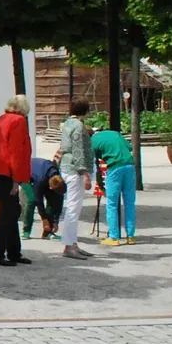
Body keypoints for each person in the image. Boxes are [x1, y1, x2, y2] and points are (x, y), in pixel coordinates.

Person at [0, 94, 33, 266]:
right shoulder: (19, 121)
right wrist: (16, 180)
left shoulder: (0, 120)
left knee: (11, 212)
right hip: (9, 173)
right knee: (7, 215)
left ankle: (13, 252)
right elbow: (16, 153)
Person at [58, 101, 95, 259]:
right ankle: (68, 245)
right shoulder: (79, 126)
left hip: (67, 166)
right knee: (73, 208)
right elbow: (78, 150)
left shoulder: (68, 123)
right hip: (75, 170)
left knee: (73, 207)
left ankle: (73, 243)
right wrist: (85, 173)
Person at [92, 126, 137, 245]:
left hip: (114, 168)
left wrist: (101, 185)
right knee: (130, 203)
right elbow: (129, 147)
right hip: (129, 166)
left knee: (112, 203)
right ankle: (131, 236)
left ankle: (114, 237)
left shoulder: (93, 141)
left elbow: (95, 163)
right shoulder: (115, 133)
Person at [21, 157, 66, 240]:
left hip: (44, 176)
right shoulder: (40, 179)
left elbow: (59, 202)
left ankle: (47, 233)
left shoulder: (58, 178)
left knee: (52, 202)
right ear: (50, 187)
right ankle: (26, 231)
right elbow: (39, 200)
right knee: (32, 200)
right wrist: (44, 219)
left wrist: (55, 221)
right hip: (24, 173)